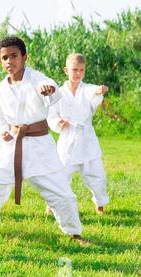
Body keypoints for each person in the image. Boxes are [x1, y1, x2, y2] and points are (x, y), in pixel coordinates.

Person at [0, 36, 88, 247]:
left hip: (40, 146)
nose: (9, 62)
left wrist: (48, 90)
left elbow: (48, 86)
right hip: (12, 145)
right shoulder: (0, 90)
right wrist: (3, 132)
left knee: (61, 192)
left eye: (14, 56)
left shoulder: (37, 79)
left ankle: (75, 234)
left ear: (24, 57)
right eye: (4, 58)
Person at [46, 53, 109, 215]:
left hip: (87, 140)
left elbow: (91, 91)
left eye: (82, 70)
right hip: (67, 139)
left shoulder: (86, 89)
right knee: (60, 174)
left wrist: (99, 90)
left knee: (97, 175)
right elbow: (51, 116)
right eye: (75, 70)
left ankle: (99, 204)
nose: (78, 73)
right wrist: (58, 123)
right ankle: (52, 204)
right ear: (66, 70)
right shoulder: (58, 93)